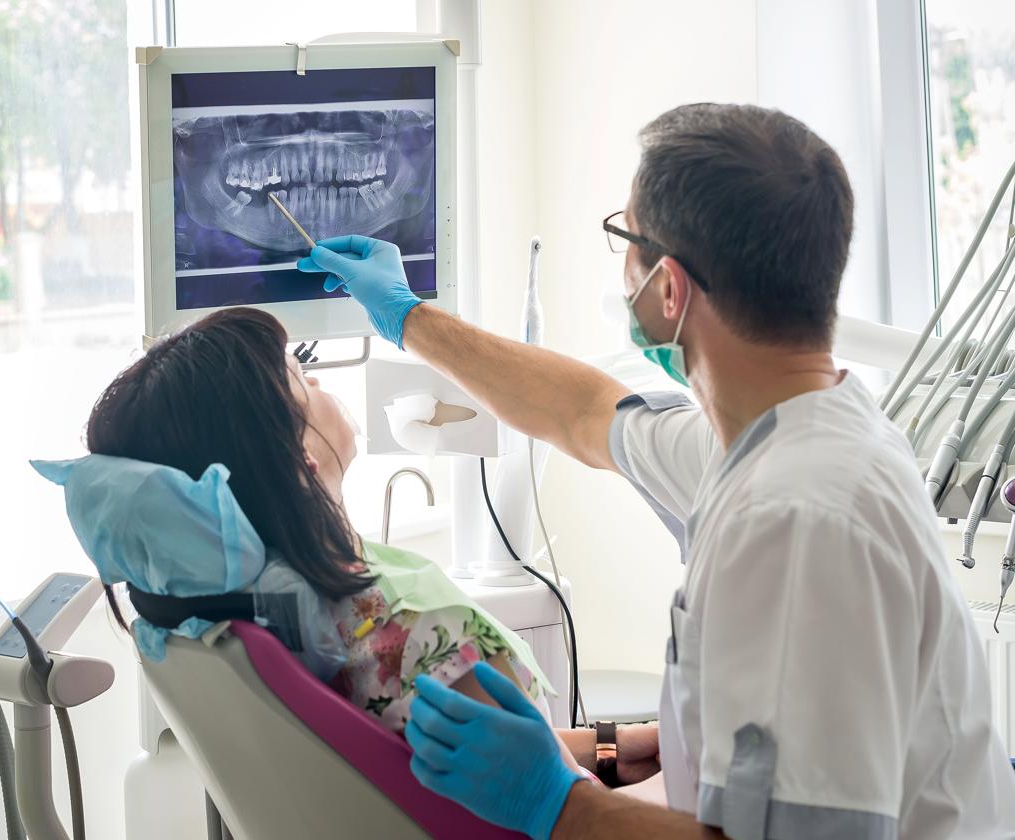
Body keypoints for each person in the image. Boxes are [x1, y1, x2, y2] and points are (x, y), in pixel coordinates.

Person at [295, 103, 1015, 839]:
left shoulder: (796, 519)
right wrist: (407, 316)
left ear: (669, 291)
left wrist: (558, 802)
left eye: (625, 238)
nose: (622, 262)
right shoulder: (782, 434)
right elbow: (580, 411)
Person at [39, 305, 651, 779]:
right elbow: (569, 813)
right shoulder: (420, 635)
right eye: (303, 380)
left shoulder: (264, 623)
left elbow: (476, 759)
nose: (324, 386)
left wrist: (614, 745)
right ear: (302, 460)